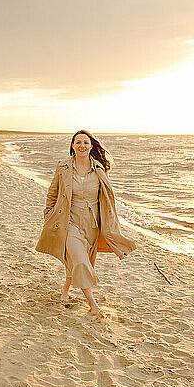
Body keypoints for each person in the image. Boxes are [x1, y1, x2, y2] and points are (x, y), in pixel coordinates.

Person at [35, 130, 137, 315]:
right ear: (73, 146)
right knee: (81, 261)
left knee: (77, 260)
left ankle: (65, 290)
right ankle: (93, 304)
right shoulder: (63, 167)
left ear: (91, 146)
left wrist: (110, 224)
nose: (82, 146)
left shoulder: (99, 169)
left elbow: (106, 197)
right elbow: (52, 193)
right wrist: (48, 215)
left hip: (92, 226)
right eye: (78, 142)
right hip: (69, 223)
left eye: (85, 143)